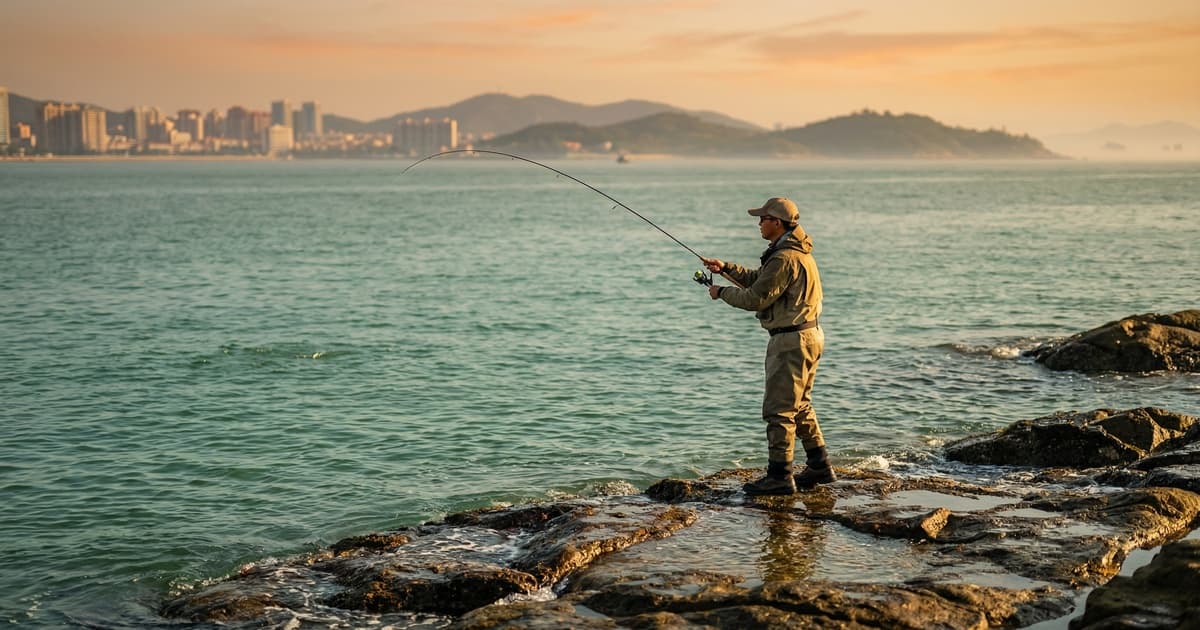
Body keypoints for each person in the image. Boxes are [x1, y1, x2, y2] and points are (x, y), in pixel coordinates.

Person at [701, 197, 834, 496]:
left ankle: (779, 477)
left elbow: (756, 299)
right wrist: (725, 268)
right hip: (809, 336)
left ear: (777, 222)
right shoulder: (794, 253)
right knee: (800, 406)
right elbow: (762, 282)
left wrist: (720, 292)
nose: (759, 223)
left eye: (762, 218)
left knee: (779, 411)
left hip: (790, 341)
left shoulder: (784, 257)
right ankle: (819, 466)